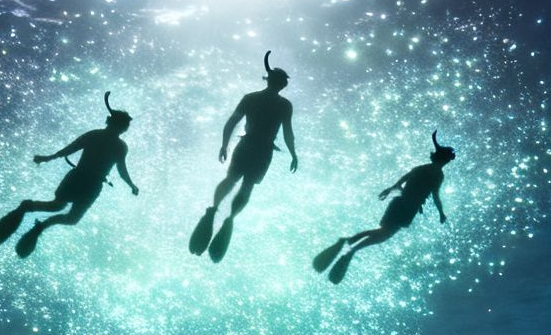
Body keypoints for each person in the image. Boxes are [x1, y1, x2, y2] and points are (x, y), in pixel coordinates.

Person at [0, 93, 138, 258]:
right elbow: (119, 169)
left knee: (61, 210)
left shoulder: (102, 138)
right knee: (65, 213)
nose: (124, 129)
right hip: (88, 182)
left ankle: (36, 220)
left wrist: (47, 158)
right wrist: (131, 185)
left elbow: (70, 150)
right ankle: (36, 220)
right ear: (119, 125)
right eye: (125, 126)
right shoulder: (114, 144)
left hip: (84, 180)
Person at [190, 50, 297, 263]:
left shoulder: (251, 98)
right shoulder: (284, 105)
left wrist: (224, 145)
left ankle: (213, 210)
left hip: (247, 145)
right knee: (247, 185)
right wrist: (293, 154)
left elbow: (231, 122)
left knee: (232, 179)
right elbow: (287, 133)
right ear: (282, 84)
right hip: (263, 149)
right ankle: (228, 217)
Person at [311, 131, 455, 284]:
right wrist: (441, 213)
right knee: (384, 234)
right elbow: (435, 195)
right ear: (445, 159)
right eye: (448, 159)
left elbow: (402, 181)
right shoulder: (438, 174)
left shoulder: (421, 168)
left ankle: (349, 244)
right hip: (407, 208)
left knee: (382, 232)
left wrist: (390, 191)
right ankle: (350, 245)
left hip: (401, 203)